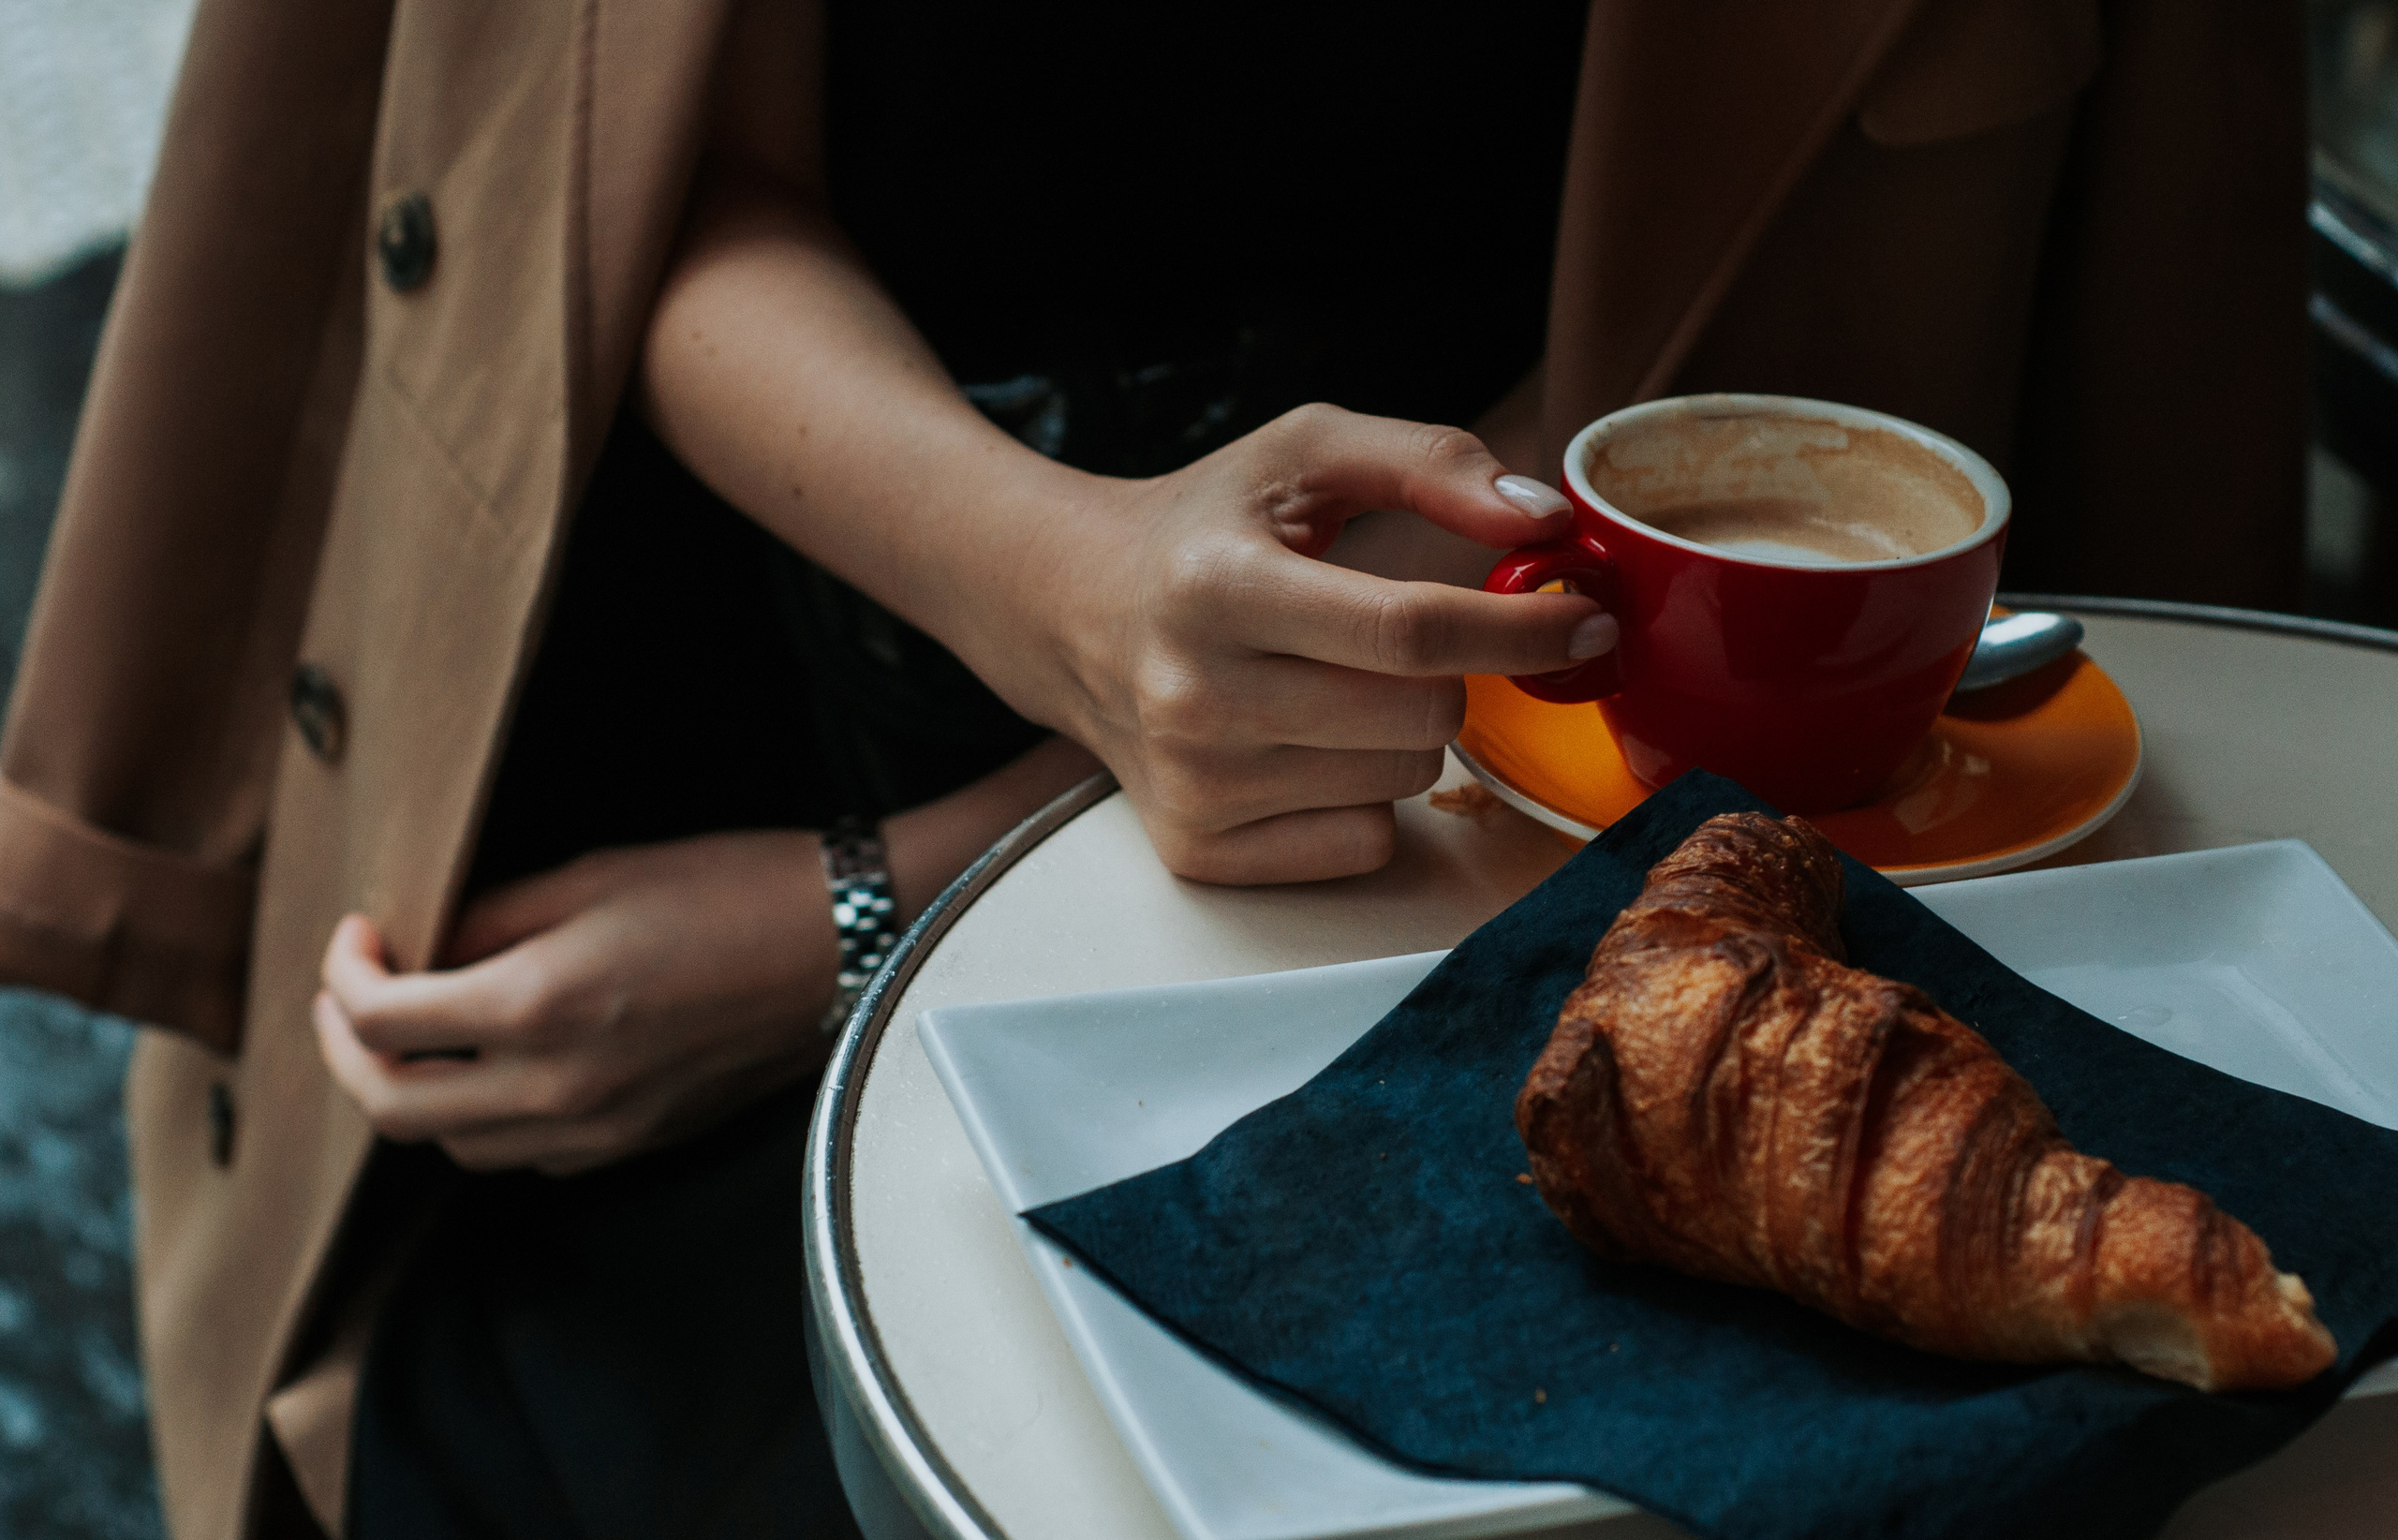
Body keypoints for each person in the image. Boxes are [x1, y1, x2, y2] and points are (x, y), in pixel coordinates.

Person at [0, 0, 2304, 1536]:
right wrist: (1048, 599)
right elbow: (645, 182)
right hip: (715, 725)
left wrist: (871, 897)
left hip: (1513, 882)